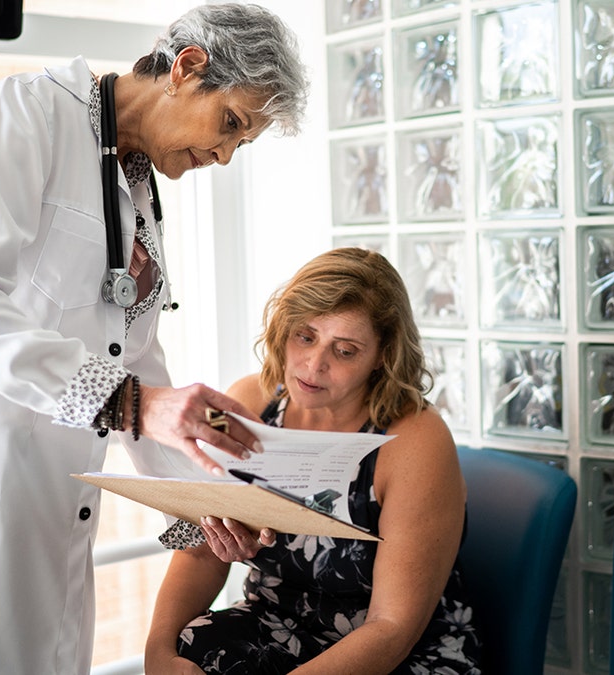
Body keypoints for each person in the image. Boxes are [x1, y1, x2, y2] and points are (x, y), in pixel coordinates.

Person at [0, 4, 309, 674]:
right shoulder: (28, 114)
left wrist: (208, 506)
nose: (222, 156)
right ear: (188, 68)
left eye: (239, 146)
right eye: (230, 125)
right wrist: (136, 402)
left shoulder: (139, 196)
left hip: (46, 524)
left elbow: (138, 375)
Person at [144, 247, 483, 674]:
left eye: (344, 351)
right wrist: (158, 654)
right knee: (191, 650)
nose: (314, 364)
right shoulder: (249, 402)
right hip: (275, 622)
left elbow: (392, 626)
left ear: (382, 356)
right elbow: (200, 547)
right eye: (305, 336)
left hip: (394, 648)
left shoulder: (417, 439)